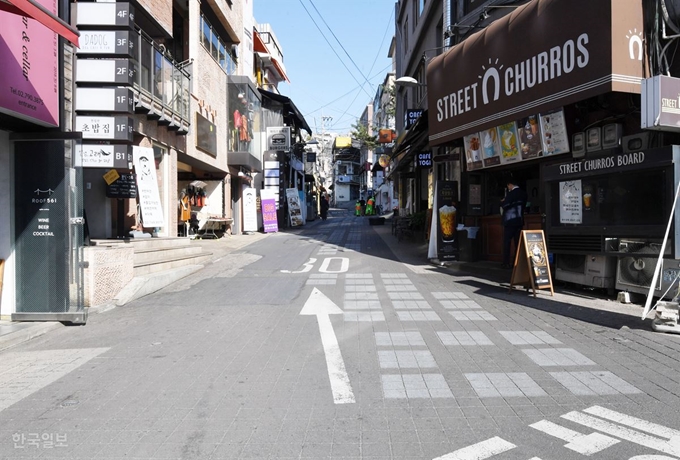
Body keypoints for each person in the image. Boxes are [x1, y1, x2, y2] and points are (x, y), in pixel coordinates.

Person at [500, 177, 528, 269]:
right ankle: (516, 262)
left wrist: (503, 202)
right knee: (518, 243)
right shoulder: (523, 193)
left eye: (508, 186)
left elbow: (505, 206)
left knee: (507, 242)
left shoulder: (510, 194)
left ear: (510, 185)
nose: (508, 188)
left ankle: (506, 262)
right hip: (519, 221)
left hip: (509, 221)